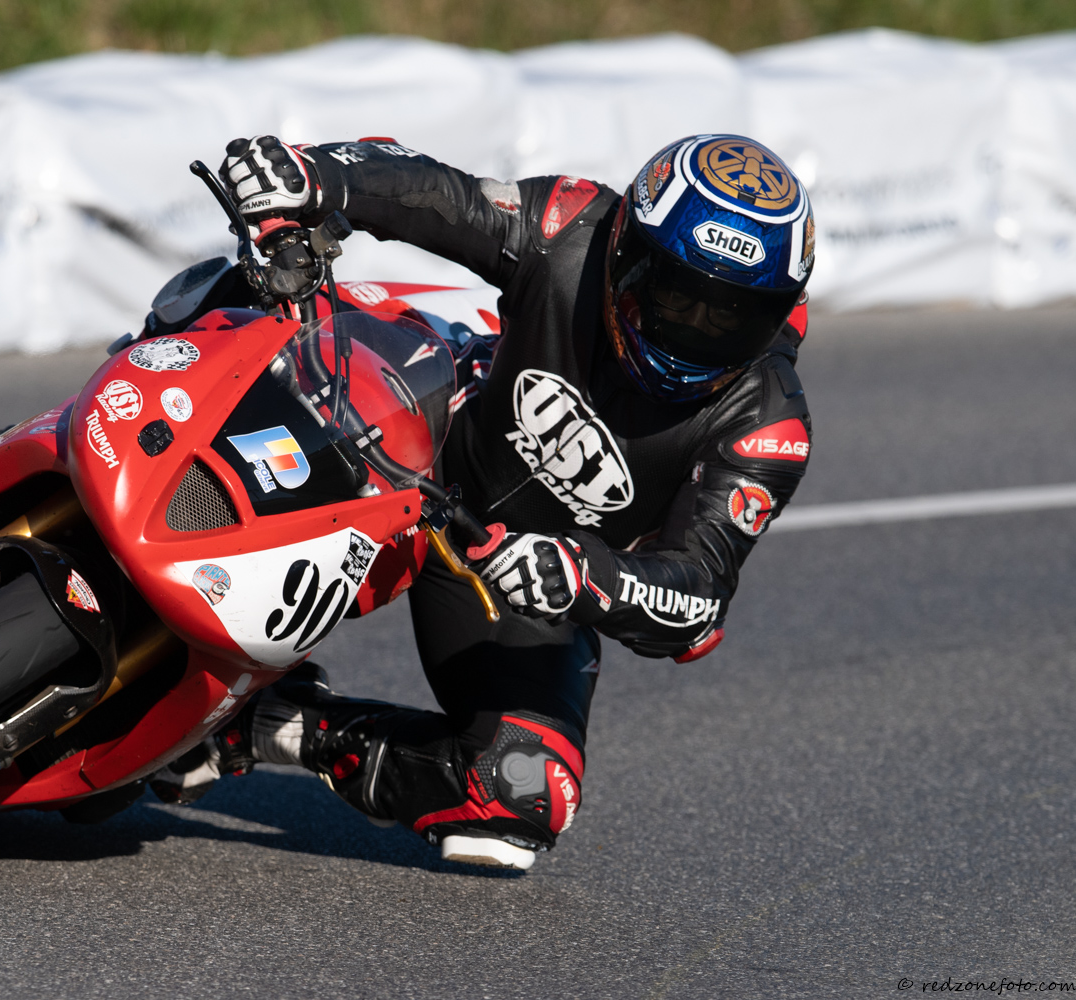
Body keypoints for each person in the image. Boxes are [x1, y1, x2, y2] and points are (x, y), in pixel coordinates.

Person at [157, 133, 817, 871]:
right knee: (247, 303)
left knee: (526, 789)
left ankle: (265, 724)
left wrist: (583, 576)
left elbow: (698, 595)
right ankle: (80, 443)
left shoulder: (767, 425)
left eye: (729, 317)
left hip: (522, 578)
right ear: (626, 250)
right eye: (673, 296)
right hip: (420, 447)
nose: (693, 330)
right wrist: (320, 175)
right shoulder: (574, 228)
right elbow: (445, 197)